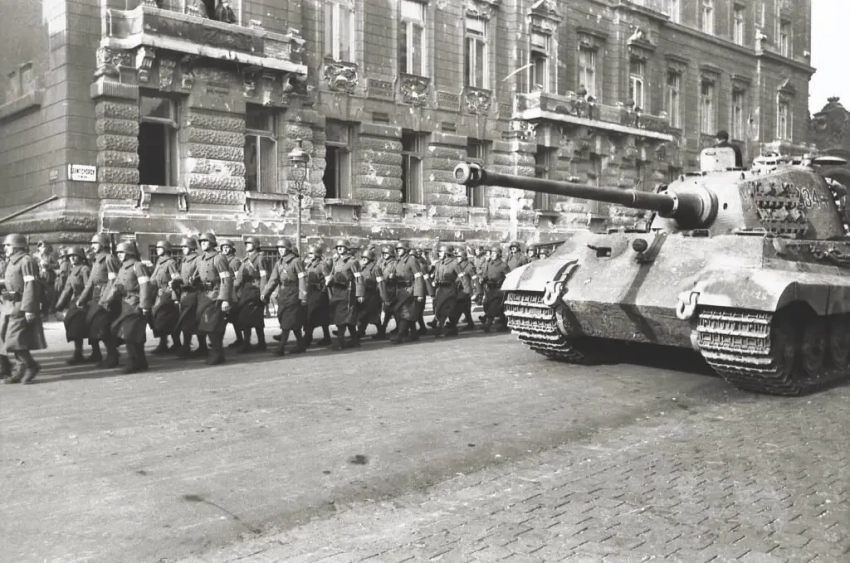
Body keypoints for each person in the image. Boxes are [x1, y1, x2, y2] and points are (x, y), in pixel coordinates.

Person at [0, 234, 47, 384]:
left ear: (17, 246)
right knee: (11, 339)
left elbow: (31, 285)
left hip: (21, 306)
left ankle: (32, 365)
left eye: (8, 245)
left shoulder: (26, 261)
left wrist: (28, 309)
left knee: (14, 340)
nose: (5, 248)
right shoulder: (12, 261)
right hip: (10, 305)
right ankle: (20, 371)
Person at [103, 242, 152, 374]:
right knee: (133, 333)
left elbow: (145, 286)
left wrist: (144, 305)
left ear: (129, 252)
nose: (119, 255)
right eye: (118, 252)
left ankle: (132, 361)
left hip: (136, 303)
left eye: (122, 252)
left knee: (129, 334)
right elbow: (115, 286)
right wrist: (107, 300)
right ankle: (141, 361)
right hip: (125, 303)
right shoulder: (122, 268)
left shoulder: (138, 266)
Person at [77, 233, 121, 366]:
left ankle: (112, 355)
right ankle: (96, 353)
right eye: (92, 243)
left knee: (102, 327)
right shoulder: (96, 260)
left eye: (95, 243)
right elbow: (90, 282)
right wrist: (81, 299)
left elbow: (113, 281)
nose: (92, 246)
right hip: (96, 297)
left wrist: (106, 300)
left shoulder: (109, 258)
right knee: (91, 323)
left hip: (107, 298)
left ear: (103, 244)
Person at [261, 239, 307, 355]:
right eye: (279, 248)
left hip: (294, 294)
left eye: (283, 248)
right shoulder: (279, 263)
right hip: (283, 294)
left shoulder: (296, 261)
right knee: (291, 320)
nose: (280, 250)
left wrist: (303, 296)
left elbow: (302, 279)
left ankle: (281, 347)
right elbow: (273, 280)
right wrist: (265, 292)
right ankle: (301, 345)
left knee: (287, 321)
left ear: (288, 249)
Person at [195, 232, 233, 365]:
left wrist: (225, 299)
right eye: (201, 242)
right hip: (204, 296)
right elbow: (199, 276)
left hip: (216, 296)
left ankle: (216, 353)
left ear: (212, 243)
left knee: (213, 326)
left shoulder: (218, 258)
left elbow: (226, 279)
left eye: (205, 241)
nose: (203, 244)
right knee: (207, 325)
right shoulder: (201, 259)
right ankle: (218, 354)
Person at [326, 239, 364, 350]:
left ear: (347, 248)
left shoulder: (352, 262)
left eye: (342, 247)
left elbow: (359, 278)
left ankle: (340, 342)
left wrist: (360, 294)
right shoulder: (336, 261)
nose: (339, 248)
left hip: (348, 292)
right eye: (338, 247)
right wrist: (329, 280)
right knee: (345, 317)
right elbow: (332, 274)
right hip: (337, 292)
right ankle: (355, 340)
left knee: (343, 316)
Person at [55, 246, 91, 365]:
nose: (71, 258)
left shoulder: (84, 269)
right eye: (70, 256)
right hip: (75, 302)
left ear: (80, 256)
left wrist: (82, 301)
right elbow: (67, 289)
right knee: (70, 323)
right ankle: (79, 352)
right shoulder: (73, 270)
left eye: (74, 256)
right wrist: (58, 306)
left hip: (84, 302)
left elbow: (88, 287)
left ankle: (80, 353)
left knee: (78, 327)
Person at [233, 236, 268, 353]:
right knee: (248, 318)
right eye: (246, 243)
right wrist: (231, 289)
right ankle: (255, 343)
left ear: (255, 245)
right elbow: (239, 278)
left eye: (249, 243)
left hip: (256, 291)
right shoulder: (245, 259)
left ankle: (252, 343)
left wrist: (263, 293)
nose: (247, 245)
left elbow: (264, 277)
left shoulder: (260, 258)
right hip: (246, 291)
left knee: (254, 318)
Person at [388, 241, 426, 344]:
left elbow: (418, 277)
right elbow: (395, 276)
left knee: (405, 313)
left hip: (410, 290)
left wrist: (419, 293)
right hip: (400, 291)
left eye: (400, 249)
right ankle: (414, 334)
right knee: (404, 313)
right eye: (397, 249)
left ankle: (400, 335)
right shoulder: (397, 261)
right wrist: (391, 277)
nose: (398, 251)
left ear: (406, 250)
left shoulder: (412, 261)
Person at [430, 244, 471, 337]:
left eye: (441, 252)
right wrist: (434, 282)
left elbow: (463, 277)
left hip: (450, 290)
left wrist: (466, 291)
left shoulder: (454, 263)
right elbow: (436, 276)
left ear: (446, 253)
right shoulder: (438, 263)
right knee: (442, 309)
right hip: (440, 290)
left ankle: (439, 328)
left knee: (445, 309)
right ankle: (453, 328)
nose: (439, 254)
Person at [174, 236, 204, 359]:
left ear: (191, 247)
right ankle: (189, 346)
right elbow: (182, 276)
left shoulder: (198, 259)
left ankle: (194, 347)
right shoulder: (184, 260)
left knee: (193, 322)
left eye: (185, 246)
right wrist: (177, 281)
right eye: (182, 246)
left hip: (194, 294)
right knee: (187, 322)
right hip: (184, 295)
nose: (183, 248)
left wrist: (194, 281)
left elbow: (202, 275)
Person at [149, 241, 182, 355]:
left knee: (166, 320)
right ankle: (165, 343)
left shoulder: (170, 263)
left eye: (160, 247)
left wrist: (173, 295)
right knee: (160, 319)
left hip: (167, 294)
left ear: (166, 249)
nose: (157, 249)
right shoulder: (159, 262)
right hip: (159, 294)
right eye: (156, 247)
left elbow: (176, 279)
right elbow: (153, 279)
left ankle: (172, 344)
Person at [303, 244, 333, 346]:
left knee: (315, 315)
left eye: (311, 253)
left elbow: (328, 279)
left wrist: (323, 290)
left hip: (319, 293)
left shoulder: (322, 265)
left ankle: (308, 337)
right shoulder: (309, 265)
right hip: (311, 292)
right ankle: (324, 337)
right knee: (314, 315)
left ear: (317, 254)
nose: (309, 255)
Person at [219, 239, 244, 351]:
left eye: (227, 247)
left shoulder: (234, 262)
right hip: (224, 291)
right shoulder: (220, 259)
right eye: (223, 247)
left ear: (232, 249)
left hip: (233, 294)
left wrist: (231, 290)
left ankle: (220, 341)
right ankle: (239, 339)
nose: (225, 249)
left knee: (228, 318)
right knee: (229, 318)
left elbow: (238, 278)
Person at [479, 246, 511, 333]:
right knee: (488, 305)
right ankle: (504, 324)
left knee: (493, 306)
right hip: (490, 289)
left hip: (499, 289)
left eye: (494, 253)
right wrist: (483, 278)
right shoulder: (490, 264)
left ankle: (488, 325)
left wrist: (503, 285)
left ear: (498, 254)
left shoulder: (503, 265)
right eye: (491, 253)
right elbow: (486, 274)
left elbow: (509, 277)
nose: (492, 255)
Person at [356, 248, 385, 339]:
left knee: (372, 315)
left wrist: (383, 297)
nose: (364, 259)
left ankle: (381, 332)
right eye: (363, 257)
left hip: (372, 295)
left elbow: (381, 283)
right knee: (364, 314)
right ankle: (361, 331)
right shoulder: (361, 268)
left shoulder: (376, 269)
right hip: (363, 294)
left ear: (371, 258)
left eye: (366, 257)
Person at [449, 246, 478, 332]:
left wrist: (476, 292)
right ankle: (470, 324)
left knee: (460, 307)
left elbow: (474, 279)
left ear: (463, 257)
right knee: (465, 309)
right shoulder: (457, 265)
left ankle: (454, 323)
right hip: (459, 289)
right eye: (456, 256)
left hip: (466, 289)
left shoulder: (469, 266)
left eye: (459, 256)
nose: (457, 258)